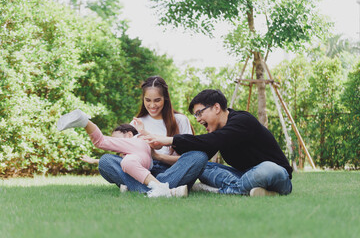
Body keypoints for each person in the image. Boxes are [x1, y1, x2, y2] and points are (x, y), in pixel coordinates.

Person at [144, 89, 293, 197]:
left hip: (278, 175)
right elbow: (195, 156)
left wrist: (168, 140)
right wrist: (158, 157)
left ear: (216, 107)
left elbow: (211, 140)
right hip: (244, 175)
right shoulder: (217, 134)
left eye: (199, 113)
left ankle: (220, 190)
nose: (197, 119)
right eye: (195, 115)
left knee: (268, 168)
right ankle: (254, 191)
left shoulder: (242, 120)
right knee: (202, 164)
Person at [94, 76, 208, 194]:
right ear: (143, 100)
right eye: (148, 100)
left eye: (157, 100)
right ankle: (165, 190)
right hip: (141, 170)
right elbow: (128, 160)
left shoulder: (180, 120)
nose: (152, 105)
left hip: (171, 171)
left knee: (200, 156)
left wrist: (157, 156)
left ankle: (141, 188)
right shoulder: (136, 123)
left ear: (165, 99)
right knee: (106, 161)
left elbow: (187, 157)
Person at [57, 109, 188, 197]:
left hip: (143, 155)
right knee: (127, 162)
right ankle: (164, 190)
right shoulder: (137, 147)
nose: (115, 142)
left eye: (116, 137)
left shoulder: (134, 140)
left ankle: (84, 121)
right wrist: (94, 161)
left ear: (129, 134)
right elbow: (152, 148)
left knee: (101, 142)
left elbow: (101, 142)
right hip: (145, 163)